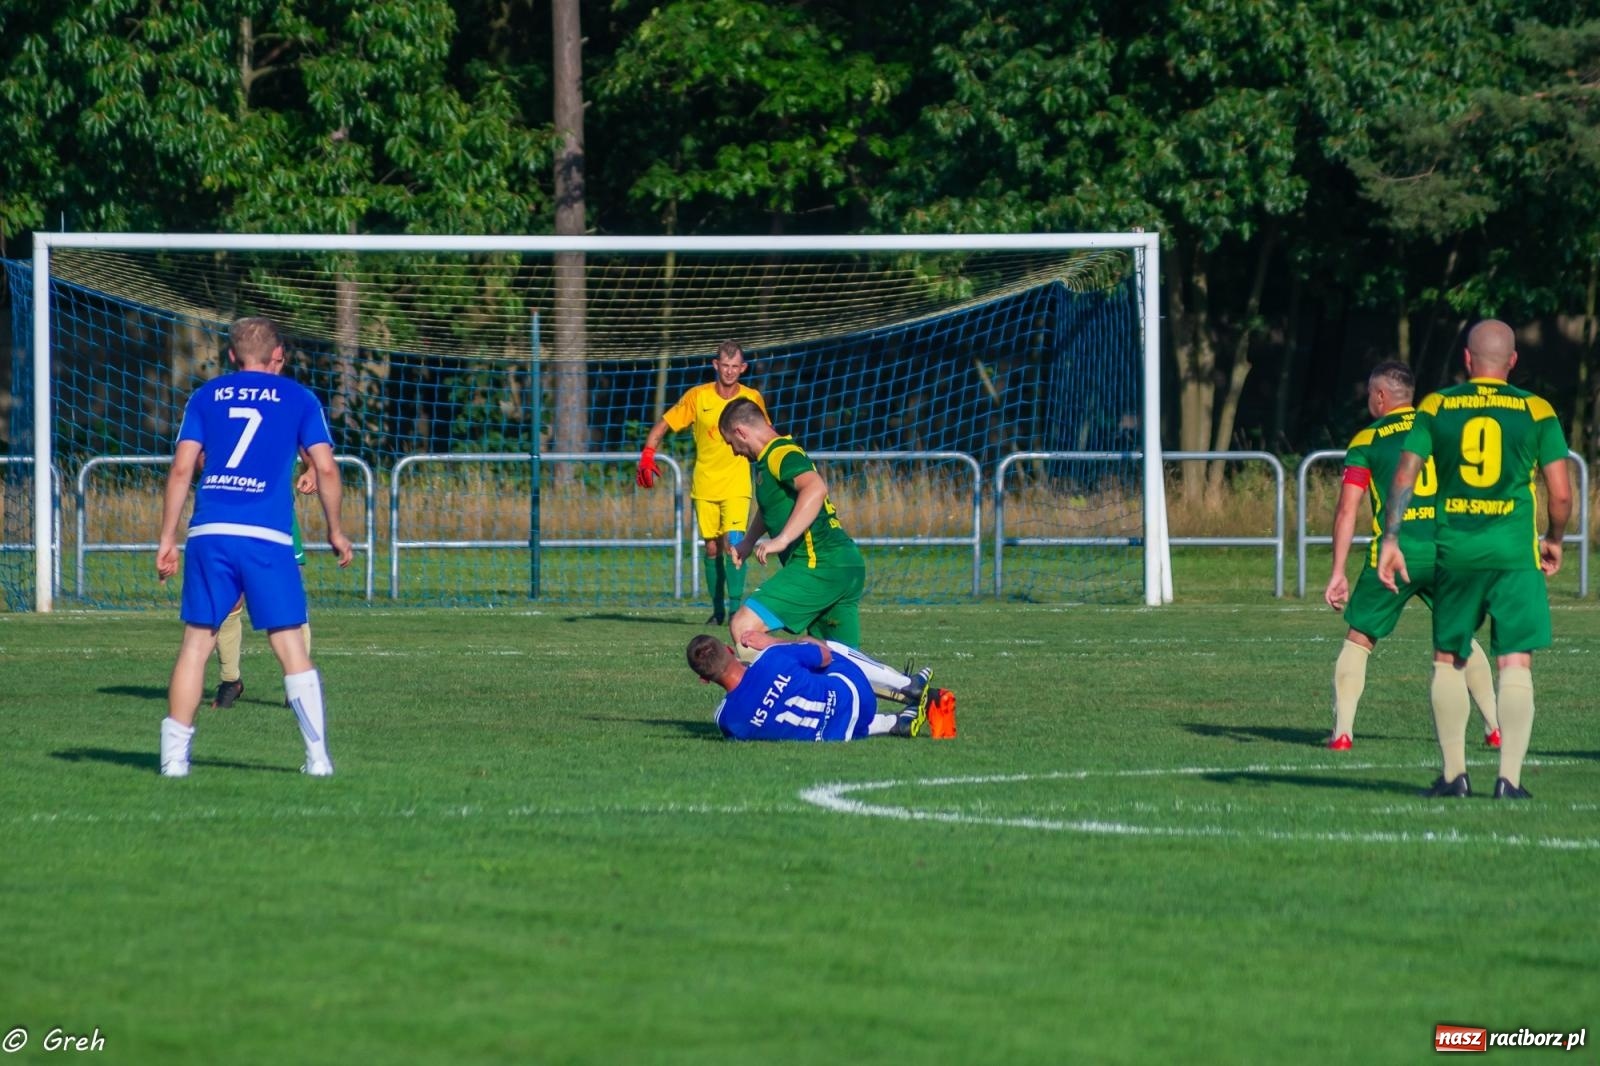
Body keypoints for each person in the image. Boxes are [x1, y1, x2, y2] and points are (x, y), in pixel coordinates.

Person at [1377, 319, 1571, 800]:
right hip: (1513, 555)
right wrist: (1555, 538)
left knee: (1449, 659)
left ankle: (1454, 776)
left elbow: (1405, 473)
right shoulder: (1537, 409)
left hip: (1456, 552)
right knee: (1515, 662)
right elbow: (1562, 494)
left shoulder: (1438, 404)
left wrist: (1391, 538)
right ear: (1512, 362)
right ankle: (1509, 780)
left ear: (1467, 360)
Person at [155, 316, 353, 777]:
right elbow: (324, 469)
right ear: (277, 356)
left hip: (210, 534)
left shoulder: (205, 396)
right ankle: (317, 759)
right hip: (265, 537)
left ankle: (173, 763)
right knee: (290, 648)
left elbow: (183, 469)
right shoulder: (299, 398)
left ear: (231, 356)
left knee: (194, 648)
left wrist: (167, 538)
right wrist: (335, 529)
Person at [1322, 360, 1499, 750]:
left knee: (1360, 638)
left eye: (1371, 394)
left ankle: (1343, 734)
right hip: (1447, 551)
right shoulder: (1443, 428)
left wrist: (1338, 571)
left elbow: (1347, 510)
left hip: (1395, 555)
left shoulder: (1367, 441)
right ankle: (1495, 727)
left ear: (1381, 397)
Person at [718, 397, 867, 660]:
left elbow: (816, 488)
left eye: (731, 442)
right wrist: (749, 541)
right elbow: (772, 506)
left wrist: (783, 540)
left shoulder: (780, 453)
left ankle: (767, 694)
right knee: (841, 664)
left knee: (744, 629)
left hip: (819, 563)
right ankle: (911, 689)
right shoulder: (769, 460)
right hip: (842, 563)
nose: (734, 451)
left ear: (741, 431)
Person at [637, 340, 768, 624]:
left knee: (735, 543)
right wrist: (648, 452)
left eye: (736, 367)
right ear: (716, 365)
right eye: (725, 366)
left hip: (736, 483)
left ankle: (735, 609)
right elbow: (664, 424)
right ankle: (717, 610)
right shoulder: (698, 397)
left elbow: (766, 434)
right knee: (712, 548)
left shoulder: (752, 398)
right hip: (705, 484)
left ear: (743, 368)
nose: (730, 371)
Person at [686, 633, 956, 741]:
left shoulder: (726, 719)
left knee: (810, 719)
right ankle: (907, 685)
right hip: (856, 697)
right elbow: (823, 656)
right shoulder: (772, 657)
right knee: (819, 645)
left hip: (833, 735)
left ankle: (894, 723)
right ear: (731, 650)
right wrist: (775, 643)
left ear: (704, 679)